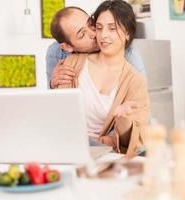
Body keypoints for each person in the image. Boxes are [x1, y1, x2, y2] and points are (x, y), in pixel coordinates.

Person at [52, 0, 149, 156]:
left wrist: (123, 120)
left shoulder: (135, 81)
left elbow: (130, 145)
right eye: (99, 27)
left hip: (106, 156)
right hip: (70, 148)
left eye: (112, 28)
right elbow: (58, 114)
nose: (103, 35)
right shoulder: (71, 64)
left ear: (127, 33)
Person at [46, 6, 146, 89]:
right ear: (67, 46)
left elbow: (141, 93)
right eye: (82, 35)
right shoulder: (55, 52)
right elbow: (54, 98)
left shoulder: (124, 46)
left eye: (91, 23)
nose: (94, 33)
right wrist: (52, 84)